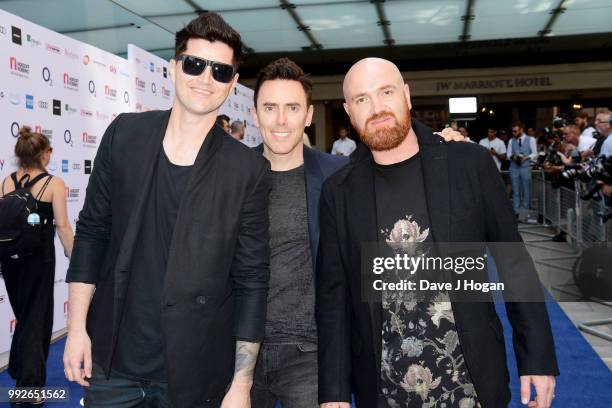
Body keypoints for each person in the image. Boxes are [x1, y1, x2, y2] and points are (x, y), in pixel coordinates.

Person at [316, 58, 558, 408]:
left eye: (386, 92)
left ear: (407, 96)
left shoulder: (469, 164)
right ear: (348, 112)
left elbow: (514, 264)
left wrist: (536, 357)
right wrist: (334, 390)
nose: (377, 107)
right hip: (383, 391)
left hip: (472, 386)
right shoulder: (338, 191)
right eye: (362, 99)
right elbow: (333, 297)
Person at [63, 12, 271, 408]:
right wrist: (76, 330)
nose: (205, 78)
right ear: (172, 69)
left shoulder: (248, 171)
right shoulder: (125, 135)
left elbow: (252, 279)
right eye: (194, 64)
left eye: (221, 71)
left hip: (194, 372)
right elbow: (91, 234)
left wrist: (241, 384)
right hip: (113, 362)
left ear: (232, 84)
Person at [249, 57, 348, 408]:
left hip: (311, 353)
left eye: (292, 108)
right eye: (270, 107)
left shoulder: (339, 175)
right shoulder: (231, 176)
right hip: (241, 353)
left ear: (308, 115)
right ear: (255, 113)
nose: (280, 120)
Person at [0, 127, 74, 394]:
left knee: (24, 315)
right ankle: (28, 389)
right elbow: (64, 227)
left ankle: (19, 366)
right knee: (35, 320)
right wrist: (75, 258)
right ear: (44, 154)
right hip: (38, 261)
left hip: (9, 262)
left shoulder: (6, 182)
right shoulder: (53, 184)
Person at [506, 121, 537, 215]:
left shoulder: (531, 139)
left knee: (526, 189)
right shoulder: (511, 140)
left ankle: (525, 210)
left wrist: (526, 157)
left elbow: (535, 153)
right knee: (515, 190)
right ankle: (515, 210)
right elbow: (508, 155)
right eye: (513, 131)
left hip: (525, 167)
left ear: (521, 130)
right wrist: (514, 157)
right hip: (514, 167)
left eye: (515, 131)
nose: (514, 133)